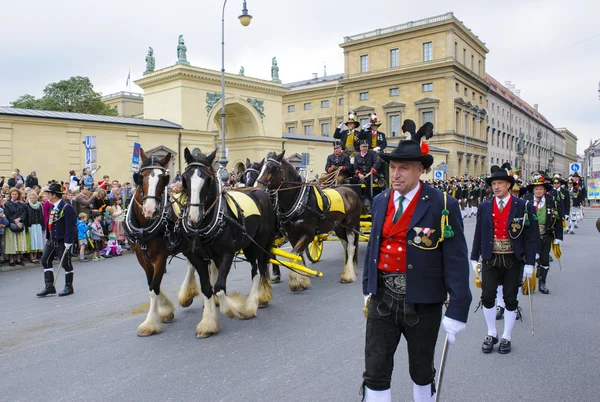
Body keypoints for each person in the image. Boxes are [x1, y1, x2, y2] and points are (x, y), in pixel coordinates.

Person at [361, 122, 471, 402]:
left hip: (423, 301)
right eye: (392, 167)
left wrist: (458, 307)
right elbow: (375, 245)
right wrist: (368, 287)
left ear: (420, 170)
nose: (395, 175)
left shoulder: (442, 204)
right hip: (383, 298)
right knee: (375, 369)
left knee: (421, 370)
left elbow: (456, 259)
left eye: (403, 168)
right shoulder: (380, 200)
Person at [471, 163, 538, 354]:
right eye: (494, 184)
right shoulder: (484, 206)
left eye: (500, 183)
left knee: (510, 298)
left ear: (509, 185)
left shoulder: (523, 206)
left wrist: (530, 263)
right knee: (487, 297)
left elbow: (531, 236)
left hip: (512, 259)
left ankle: (507, 336)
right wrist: (474, 257)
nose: (496, 187)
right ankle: (492, 333)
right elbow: (479, 233)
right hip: (490, 259)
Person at [523, 172, 563, 294]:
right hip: (529, 235)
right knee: (529, 259)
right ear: (533, 190)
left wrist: (559, 237)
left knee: (544, 259)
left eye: (541, 189)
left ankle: (542, 282)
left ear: (544, 190)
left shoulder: (552, 201)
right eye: (536, 189)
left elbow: (558, 219)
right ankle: (528, 283)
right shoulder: (526, 201)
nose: (539, 191)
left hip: (546, 234)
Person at [36, 184, 77, 297]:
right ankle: (49, 286)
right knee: (45, 260)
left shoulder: (66, 207)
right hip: (52, 239)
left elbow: (70, 225)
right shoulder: (52, 206)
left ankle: (69, 286)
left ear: (54, 195)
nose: (47, 195)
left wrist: (68, 241)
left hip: (62, 240)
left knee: (66, 263)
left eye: (49, 193)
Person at [4, 188, 27, 266]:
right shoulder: (7, 204)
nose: (14, 196)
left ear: (18, 195)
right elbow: (7, 215)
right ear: (10, 195)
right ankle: (11, 260)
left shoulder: (21, 204)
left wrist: (19, 219)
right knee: (12, 243)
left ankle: (18, 259)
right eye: (13, 194)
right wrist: (15, 221)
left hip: (20, 224)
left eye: (16, 194)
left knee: (19, 243)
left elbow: (24, 213)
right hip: (11, 225)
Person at [25, 190, 44, 263]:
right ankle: (31, 256)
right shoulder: (27, 205)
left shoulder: (39, 205)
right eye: (31, 198)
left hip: (38, 224)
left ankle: (35, 256)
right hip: (31, 225)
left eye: (34, 198)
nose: (32, 199)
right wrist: (26, 226)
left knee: (37, 240)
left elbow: (41, 216)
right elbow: (26, 217)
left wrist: (42, 225)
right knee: (32, 240)